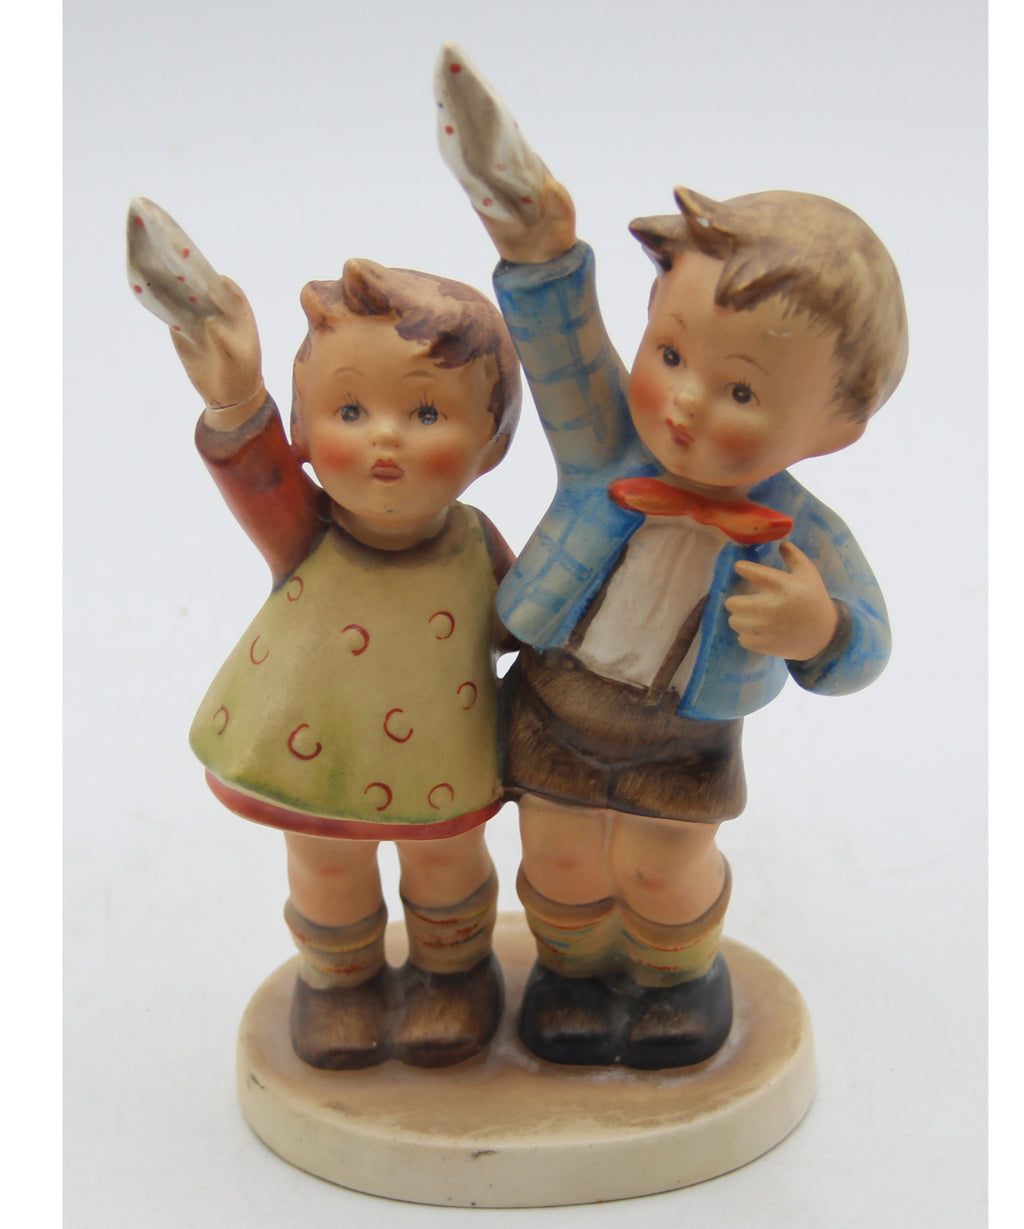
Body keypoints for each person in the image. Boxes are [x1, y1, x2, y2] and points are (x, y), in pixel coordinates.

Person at [434, 45, 907, 1068]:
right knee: (559, 853)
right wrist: (536, 240)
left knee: (661, 868)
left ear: (833, 429)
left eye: (741, 391)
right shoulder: (605, 443)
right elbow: (560, 342)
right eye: (671, 354)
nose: (686, 402)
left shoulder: (803, 532)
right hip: (557, 698)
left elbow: (867, 643)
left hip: (684, 735)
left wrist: (819, 626)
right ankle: (570, 975)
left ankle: (674, 980)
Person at [127, 197, 521, 1069]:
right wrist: (235, 394)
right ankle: (340, 982)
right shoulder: (304, 530)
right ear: (304, 429)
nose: (385, 440)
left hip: (442, 758)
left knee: (448, 864)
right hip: (317, 749)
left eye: (427, 414)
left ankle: (453, 976)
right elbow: (255, 473)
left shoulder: (477, 546)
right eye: (350, 411)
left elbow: (535, 622)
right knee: (326, 866)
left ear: (491, 442)